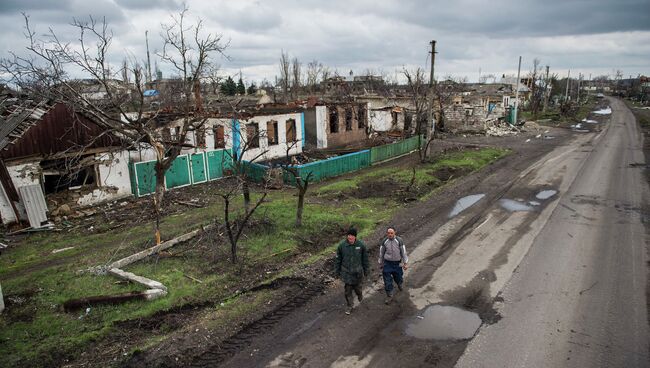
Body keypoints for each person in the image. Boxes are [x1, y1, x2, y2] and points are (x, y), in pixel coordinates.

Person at [336, 227, 369, 315]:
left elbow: (365, 259)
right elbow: (338, 260)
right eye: (348, 235)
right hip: (346, 273)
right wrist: (337, 271)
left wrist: (366, 270)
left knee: (358, 288)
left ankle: (359, 294)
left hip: (357, 273)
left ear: (355, 237)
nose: (349, 237)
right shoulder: (342, 246)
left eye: (351, 236)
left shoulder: (361, 245)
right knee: (348, 291)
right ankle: (350, 305)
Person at [378, 227, 408, 304]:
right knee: (387, 280)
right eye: (388, 233)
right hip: (387, 263)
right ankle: (389, 295)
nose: (390, 235)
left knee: (398, 276)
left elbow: (403, 253)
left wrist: (405, 263)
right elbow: (381, 253)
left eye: (391, 233)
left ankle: (399, 283)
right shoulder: (385, 241)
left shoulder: (399, 240)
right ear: (387, 233)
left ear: (395, 232)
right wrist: (381, 263)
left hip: (397, 263)